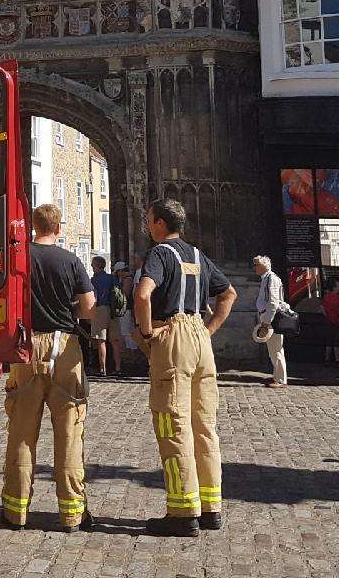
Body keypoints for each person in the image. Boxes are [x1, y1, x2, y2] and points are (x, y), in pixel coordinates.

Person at [133, 199, 238, 538]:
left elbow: (144, 294)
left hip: (173, 335)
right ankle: (211, 507)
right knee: (204, 425)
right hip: (199, 336)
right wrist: (207, 330)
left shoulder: (160, 254)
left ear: (161, 224)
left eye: (150, 221)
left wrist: (148, 333)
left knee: (172, 423)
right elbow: (229, 294)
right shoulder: (196, 254)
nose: (147, 226)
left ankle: (182, 511)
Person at [1, 204, 95, 532]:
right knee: (69, 433)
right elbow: (87, 307)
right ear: (58, 227)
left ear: (33, 227)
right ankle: (71, 513)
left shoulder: (21, 257)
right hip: (63, 348)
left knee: (22, 432)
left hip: (26, 347)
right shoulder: (70, 260)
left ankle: (16, 511)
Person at [252, 256, 290, 388]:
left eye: (256, 265)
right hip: (267, 317)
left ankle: (280, 379)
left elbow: (273, 302)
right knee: (273, 350)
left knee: (276, 349)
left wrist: (267, 322)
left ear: (263, 266)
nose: (254, 268)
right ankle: (277, 376)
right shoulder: (266, 279)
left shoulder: (271, 279)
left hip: (271, 318)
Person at [89, 256, 117, 377]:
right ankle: (118, 367)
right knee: (115, 341)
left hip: (100, 309)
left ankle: (103, 369)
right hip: (113, 310)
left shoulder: (94, 280)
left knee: (101, 341)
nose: (91, 266)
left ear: (96, 266)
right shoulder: (111, 278)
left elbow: (93, 298)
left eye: (92, 264)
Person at [321, 279, 339, 364]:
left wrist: (327, 316)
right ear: (335, 288)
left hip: (328, 321)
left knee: (329, 342)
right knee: (337, 343)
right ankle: (338, 360)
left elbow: (322, 308)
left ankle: (327, 359)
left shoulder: (326, 297)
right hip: (338, 323)